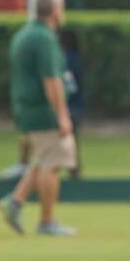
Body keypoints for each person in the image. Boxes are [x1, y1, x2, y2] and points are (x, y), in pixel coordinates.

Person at [0, 0, 77, 236]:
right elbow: (51, 80)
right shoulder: (43, 38)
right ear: (54, 11)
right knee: (51, 165)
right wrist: (63, 115)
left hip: (26, 108)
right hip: (43, 111)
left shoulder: (25, 34)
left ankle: (15, 202)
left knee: (41, 159)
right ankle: (46, 221)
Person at [59, 28, 85, 179]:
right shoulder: (75, 58)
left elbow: (69, 85)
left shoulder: (66, 60)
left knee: (67, 139)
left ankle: (72, 169)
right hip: (77, 105)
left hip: (69, 105)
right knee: (72, 138)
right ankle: (73, 168)